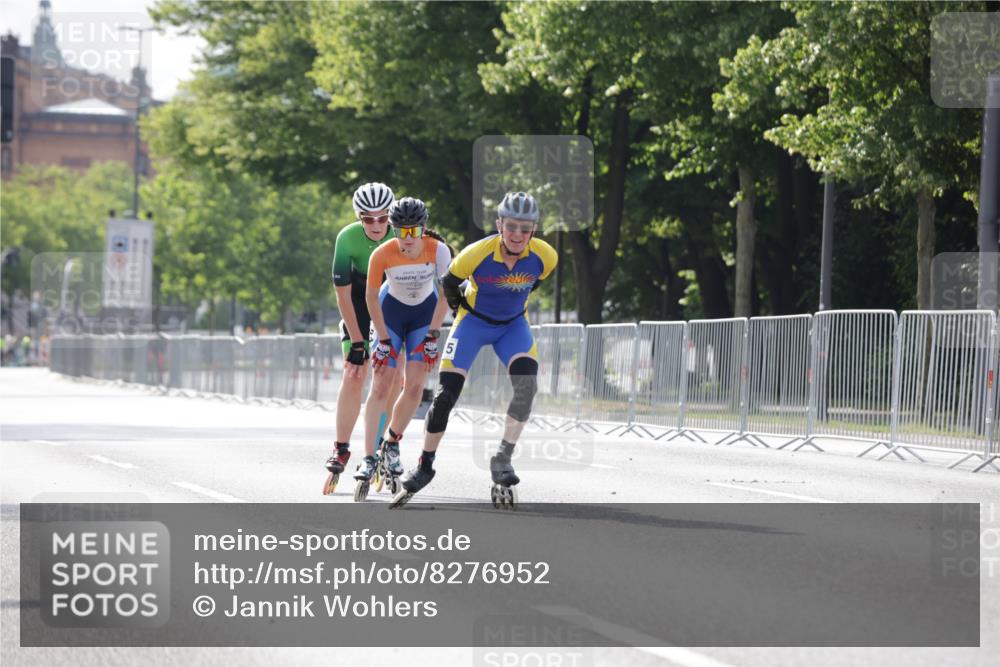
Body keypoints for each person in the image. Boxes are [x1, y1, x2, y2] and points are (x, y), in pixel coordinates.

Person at [390, 192, 557, 509]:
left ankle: (503, 457)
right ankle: (425, 464)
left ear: (533, 229)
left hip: (512, 326)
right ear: (499, 224)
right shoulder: (475, 254)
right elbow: (449, 283)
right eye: (511, 227)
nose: (518, 235)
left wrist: (512, 302)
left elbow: (535, 282)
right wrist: (458, 311)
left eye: (525, 228)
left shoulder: (546, 256)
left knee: (527, 387)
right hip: (472, 322)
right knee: (445, 397)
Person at [353, 197, 453, 492]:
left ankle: (392, 442)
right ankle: (369, 457)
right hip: (390, 313)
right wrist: (383, 339)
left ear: (424, 229)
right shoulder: (382, 253)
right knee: (382, 384)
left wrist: (434, 334)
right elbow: (371, 298)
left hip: (424, 315)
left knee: (414, 386)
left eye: (413, 231)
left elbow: (446, 294)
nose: (407, 239)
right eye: (400, 231)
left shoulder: (439, 250)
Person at [323, 182, 402, 494]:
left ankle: (382, 444)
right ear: (360, 218)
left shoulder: (402, 236)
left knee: (391, 380)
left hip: (392, 307)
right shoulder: (347, 238)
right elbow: (343, 297)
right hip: (358, 306)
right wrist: (357, 341)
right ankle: (341, 447)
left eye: (383, 218)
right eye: (369, 219)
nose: (377, 225)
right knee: (354, 374)